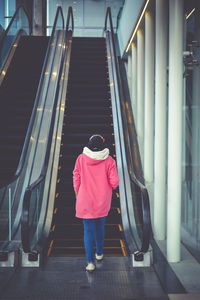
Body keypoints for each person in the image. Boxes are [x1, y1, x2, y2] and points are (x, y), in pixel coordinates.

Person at [73, 134, 119, 272]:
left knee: (88, 230)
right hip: (102, 200)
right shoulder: (109, 160)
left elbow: (76, 176)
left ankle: (90, 263)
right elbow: (115, 182)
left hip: (85, 200)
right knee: (100, 227)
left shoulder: (81, 158)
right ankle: (99, 253)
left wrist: (77, 192)